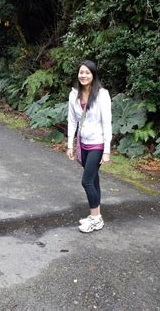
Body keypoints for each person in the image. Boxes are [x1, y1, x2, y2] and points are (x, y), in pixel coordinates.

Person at [67, 60, 112, 233]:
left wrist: (107, 150)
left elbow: (107, 124)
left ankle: (96, 219)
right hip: (83, 143)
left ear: (93, 75)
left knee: (86, 181)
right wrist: (70, 144)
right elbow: (72, 120)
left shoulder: (102, 95)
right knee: (93, 179)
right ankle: (95, 215)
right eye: (81, 72)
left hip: (97, 143)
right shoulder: (74, 95)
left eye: (87, 73)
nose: (83, 75)